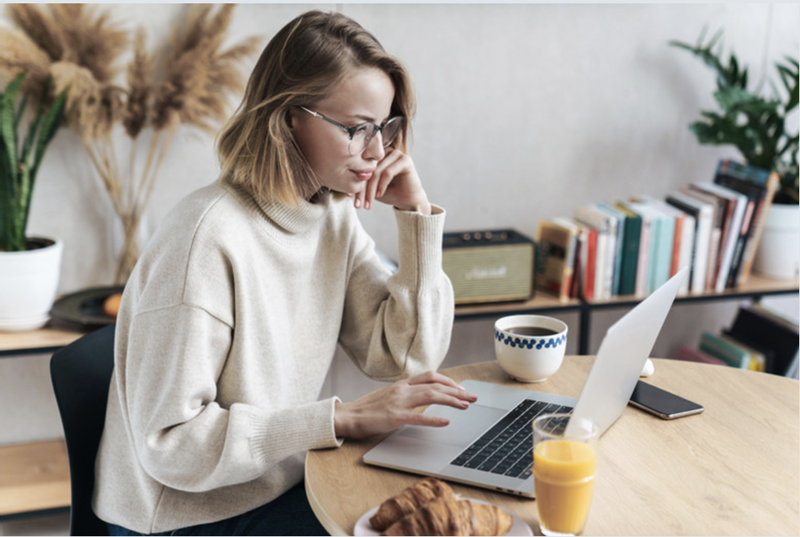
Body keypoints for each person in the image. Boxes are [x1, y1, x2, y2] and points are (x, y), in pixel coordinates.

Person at [93, 10, 476, 536]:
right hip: (186, 517)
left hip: (279, 484)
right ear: (289, 117)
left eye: (385, 128)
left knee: (441, 517)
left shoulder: (329, 213)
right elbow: (171, 444)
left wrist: (416, 217)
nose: (377, 152)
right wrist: (338, 419)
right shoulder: (205, 239)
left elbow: (405, 355)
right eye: (357, 129)